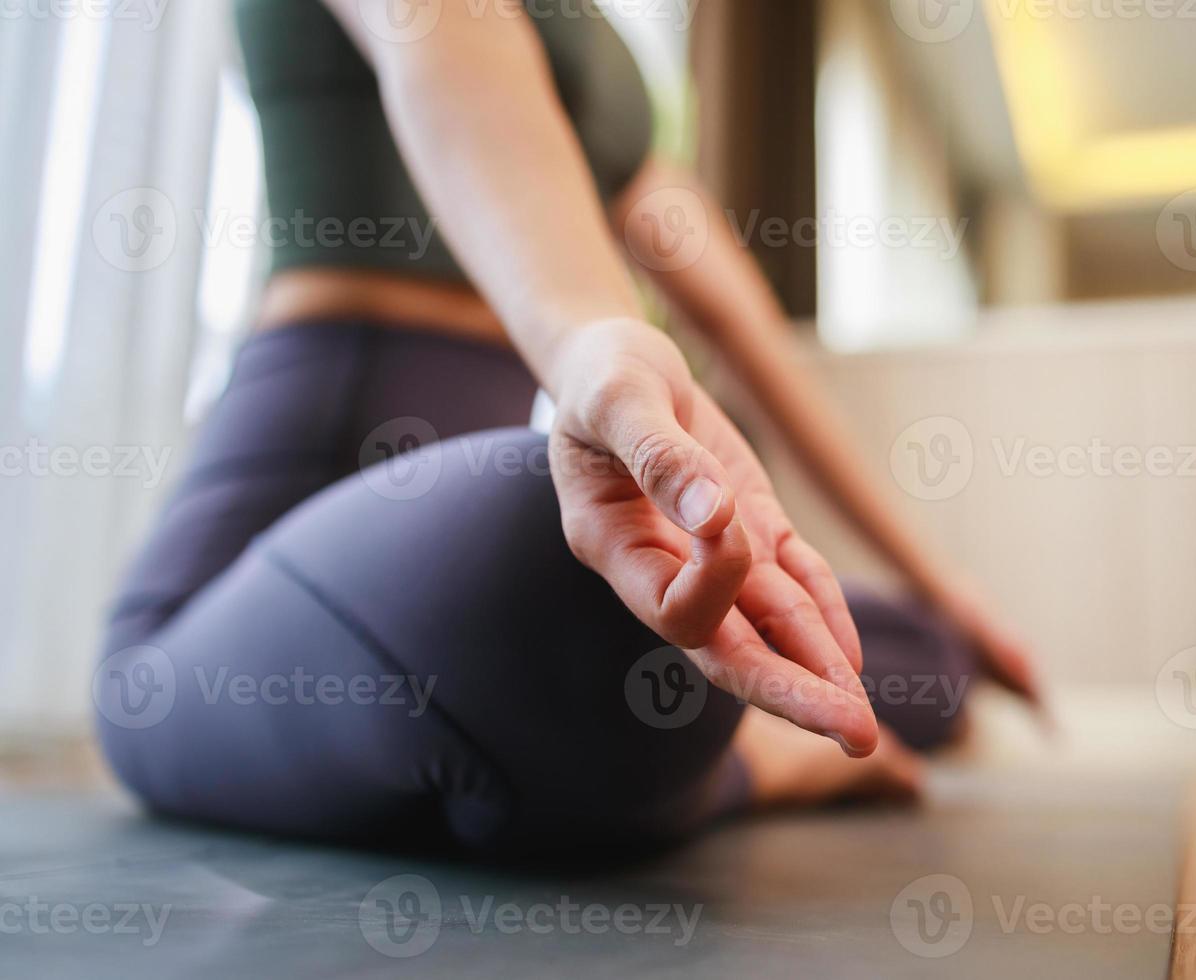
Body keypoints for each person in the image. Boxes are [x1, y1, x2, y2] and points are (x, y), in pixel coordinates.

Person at [95, 0, 1044, 856]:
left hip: (464, 557)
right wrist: (598, 344)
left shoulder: (603, 60)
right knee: (561, 572)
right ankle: (750, 759)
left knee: (892, 649)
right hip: (260, 562)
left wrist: (943, 589)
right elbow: (459, 64)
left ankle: (659, 733)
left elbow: (754, 339)